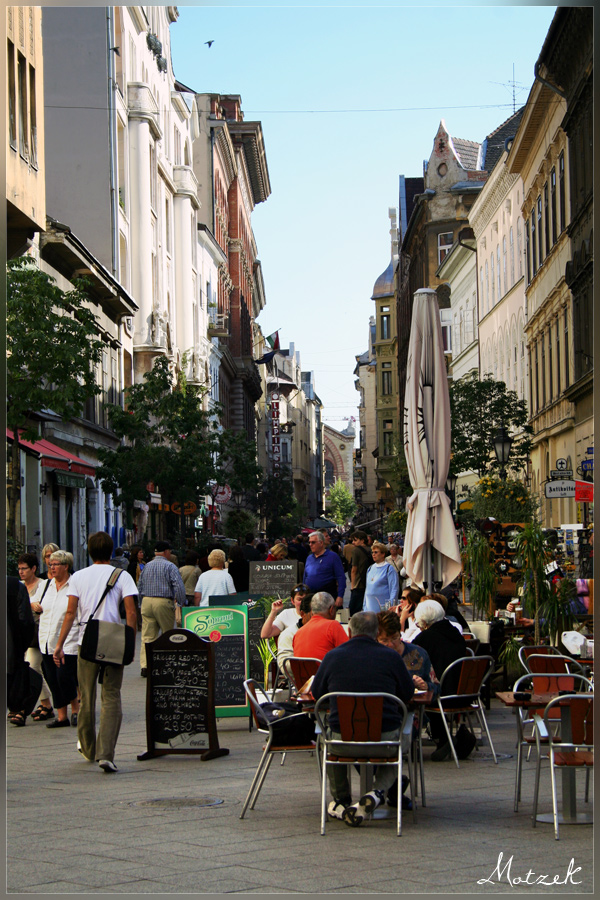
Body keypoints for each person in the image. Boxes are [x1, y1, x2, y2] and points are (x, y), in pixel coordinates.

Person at [311, 611, 415, 825]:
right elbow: (407, 694)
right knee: (400, 740)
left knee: (326, 738)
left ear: (349, 631)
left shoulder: (333, 656)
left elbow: (317, 694)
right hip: (384, 741)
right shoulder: (391, 657)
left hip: (342, 743)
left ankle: (341, 799)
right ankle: (377, 792)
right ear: (377, 633)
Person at [52, 531, 138, 773]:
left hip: (86, 641)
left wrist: (59, 645)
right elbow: (131, 612)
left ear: (89, 551)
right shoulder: (122, 576)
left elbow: (71, 613)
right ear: (111, 551)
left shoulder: (78, 577)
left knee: (86, 696)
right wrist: (129, 642)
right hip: (113, 640)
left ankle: (88, 748)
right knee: (111, 696)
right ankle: (106, 754)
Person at [412, 599, 473, 761]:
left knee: (420, 692)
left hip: (443, 694)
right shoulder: (455, 633)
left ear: (425, 622)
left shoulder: (426, 638)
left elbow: (411, 656)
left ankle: (440, 740)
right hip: (464, 692)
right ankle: (445, 740)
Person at [38, 550, 80, 728]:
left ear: (66, 566)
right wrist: (33, 604)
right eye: (50, 564)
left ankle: (76, 710)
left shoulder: (75, 585)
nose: (51, 567)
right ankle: (62, 716)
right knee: (52, 678)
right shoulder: (46, 585)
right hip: (46, 639)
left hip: (68, 640)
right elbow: (35, 602)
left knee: (65, 676)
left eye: (56, 564)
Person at [137, 541, 186, 677]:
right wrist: (180, 602)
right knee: (167, 634)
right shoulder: (170, 566)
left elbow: (140, 585)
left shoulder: (146, 566)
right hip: (163, 601)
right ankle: (167, 663)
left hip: (147, 601)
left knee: (147, 636)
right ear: (166, 552)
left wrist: (141, 603)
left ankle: (146, 665)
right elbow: (178, 586)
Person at [16, 553, 54, 722]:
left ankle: (27, 707)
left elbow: (50, 606)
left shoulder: (44, 585)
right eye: (19, 569)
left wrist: (32, 605)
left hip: (38, 634)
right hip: (20, 634)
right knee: (31, 670)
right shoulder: (18, 586)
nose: (21, 572)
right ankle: (45, 704)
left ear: (34, 569)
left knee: (32, 668)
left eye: (24, 568)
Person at [7, 576, 39, 723]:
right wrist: (21, 645)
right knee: (17, 676)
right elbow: (26, 620)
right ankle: (18, 708)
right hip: (11, 645)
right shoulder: (15, 586)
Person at [292, 592, 348, 660]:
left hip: (304, 670)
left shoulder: (298, 633)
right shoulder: (333, 626)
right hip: (325, 670)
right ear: (331, 610)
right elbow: (348, 653)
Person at [303, 532, 346, 610]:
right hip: (312, 597)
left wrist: (340, 596)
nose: (310, 544)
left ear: (321, 543)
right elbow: (305, 576)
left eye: (313, 542)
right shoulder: (309, 558)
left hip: (328, 596)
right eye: (309, 542)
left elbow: (341, 577)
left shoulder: (332, 556)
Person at [363, 542, 399, 613]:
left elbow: (394, 589)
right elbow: (367, 589)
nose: (373, 554)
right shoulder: (370, 568)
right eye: (372, 552)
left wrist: (391, 606)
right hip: (369, 607)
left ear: (383, 554)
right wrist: (364, 606)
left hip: (382, 608)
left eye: (376, 552)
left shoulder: (389, 569)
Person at [348, 530, 372, 617]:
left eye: (355, 540)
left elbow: (354, 569)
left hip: (359, 584)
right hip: (369, 582)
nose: (353, 543)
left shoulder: (356, 550)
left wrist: (353, 586)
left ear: (362, 540)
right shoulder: (371, 549)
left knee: (353, 611)